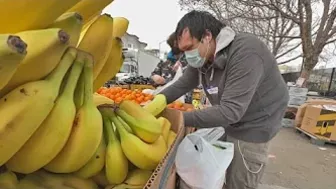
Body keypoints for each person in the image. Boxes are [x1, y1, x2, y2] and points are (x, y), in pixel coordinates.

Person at [159, 10, 289, 189]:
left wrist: (176, 118)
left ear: (207, 36)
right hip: (231, 122)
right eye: (183, 51)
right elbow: (183, 84)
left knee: (239, 179)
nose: (187, 55)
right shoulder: (204, 57)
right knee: (223, 174)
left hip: (255, 125)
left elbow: (230, 111)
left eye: (189, 48)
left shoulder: (246, 52)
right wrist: (155, 102)